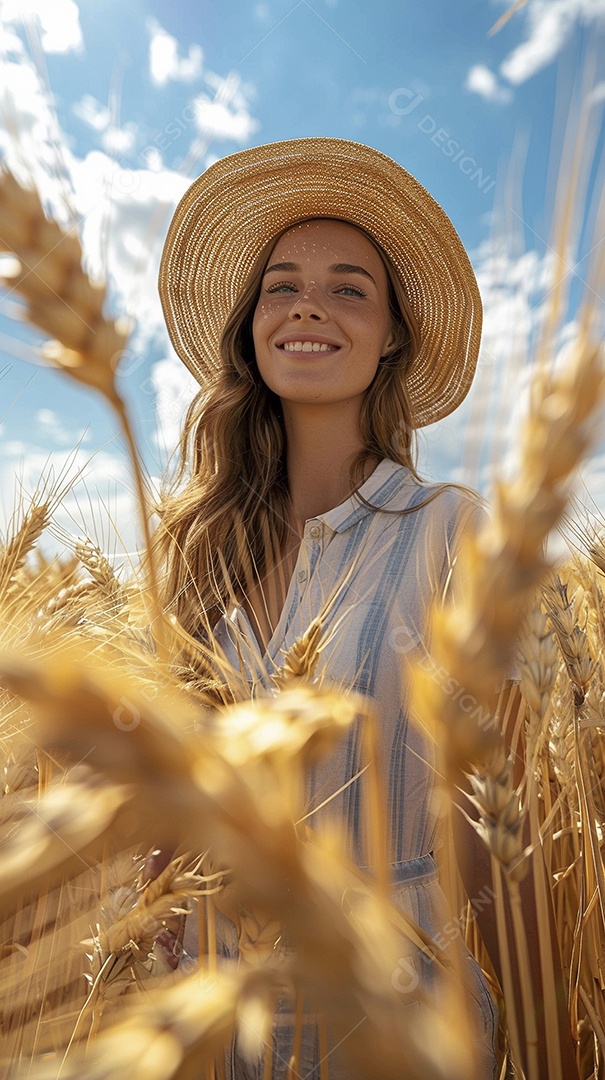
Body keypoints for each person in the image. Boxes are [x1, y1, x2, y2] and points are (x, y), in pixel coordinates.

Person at [155, 137, 499, 1079]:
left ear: (391, 333)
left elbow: (499, 805)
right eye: (281, 285)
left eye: (350, 287)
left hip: (389, 1024)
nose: (308, 303)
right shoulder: (198, 543)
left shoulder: (450, 533)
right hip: (216, 1018)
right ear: (252, 323)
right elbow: (171, 800)